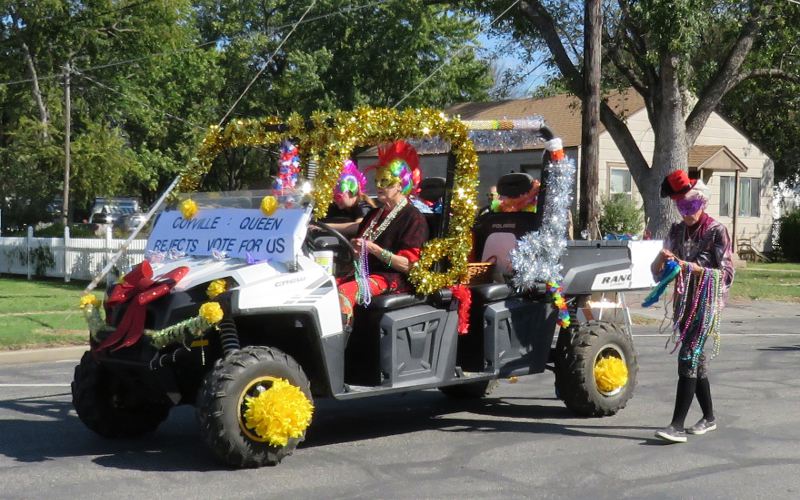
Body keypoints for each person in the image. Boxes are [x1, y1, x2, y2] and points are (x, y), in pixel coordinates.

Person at [650, 170, 734, 443]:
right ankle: (709, 417)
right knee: (697, 361)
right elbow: (658, 274)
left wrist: (693, 268)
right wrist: (660, 261)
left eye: (692, 205)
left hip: (707, 302)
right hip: (683, 303)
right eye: (681, 206)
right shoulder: (675, 231)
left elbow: (726, 274)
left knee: (688, 355)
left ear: (703, 203)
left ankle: (676, 425)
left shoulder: (716, 231)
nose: (687, 212)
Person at [337, 140, 429, 327]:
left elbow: (409, 265)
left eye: (385, 181)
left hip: (392, 277)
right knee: (325, 287)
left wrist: (375, 250)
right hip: (365, 273)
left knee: (344, 292)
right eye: (377, 180)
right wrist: (357, 252)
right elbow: (360, 248)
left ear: (400, 184)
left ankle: (341, 349)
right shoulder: (374, 214)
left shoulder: (413, 217)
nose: (379, 185)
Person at [322, 160, 376, 237]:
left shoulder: (362, 206)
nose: (335, 200)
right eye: (333, 197)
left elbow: (359, 226)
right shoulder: (340, 207)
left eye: (338, 196)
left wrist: (325, 226)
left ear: (351, 192)